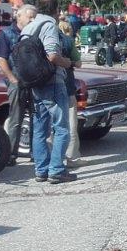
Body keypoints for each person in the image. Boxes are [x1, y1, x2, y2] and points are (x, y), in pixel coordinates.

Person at [22, 0, 76, 184]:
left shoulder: (28, 27)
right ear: (56, 10)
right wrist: (67, 63)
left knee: (39, 129)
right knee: (61, 129)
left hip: (34, 83)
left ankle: (41, 170)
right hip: (52, 82)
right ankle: (56, 170)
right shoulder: (49, 26)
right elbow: (52, 56)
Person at [0, 4, 37, 165]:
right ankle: (11, 155)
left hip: (34, 81)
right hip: (17, 81)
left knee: (36, 117)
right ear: (19, 16)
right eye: (30, 17)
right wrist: (12, 78)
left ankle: (35, 152)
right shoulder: (6, 33)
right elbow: (0, 58)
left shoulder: (33, 33)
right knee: (16, 118)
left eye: (35, 17)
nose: (33, 20)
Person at [57, 20, 82, 167]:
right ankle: (72, 157)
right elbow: (78, 63)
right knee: (71, 123)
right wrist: (70, 63)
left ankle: (52, 158)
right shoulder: (68, 41)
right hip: (67, 84)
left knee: (51, 124)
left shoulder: (41, 39)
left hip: (47, 86)